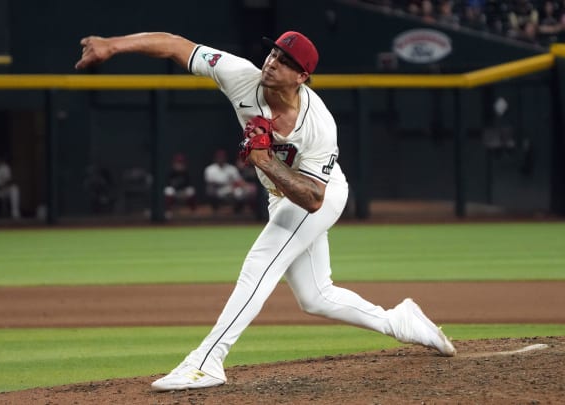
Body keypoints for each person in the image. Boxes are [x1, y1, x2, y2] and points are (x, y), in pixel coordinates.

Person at [75, 30, 455, 392]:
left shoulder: (318, 125)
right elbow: (177, 46)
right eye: (273, 52)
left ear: (302, 76)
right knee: (316, 296)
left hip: (318, 194)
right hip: (283, 196)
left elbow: (314, 199)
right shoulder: (241, 75)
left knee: (260, 264)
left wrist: (265, 160)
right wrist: (114, 45)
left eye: (285, 60)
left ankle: (207, 360)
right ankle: (400, 321)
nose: (272, 62)